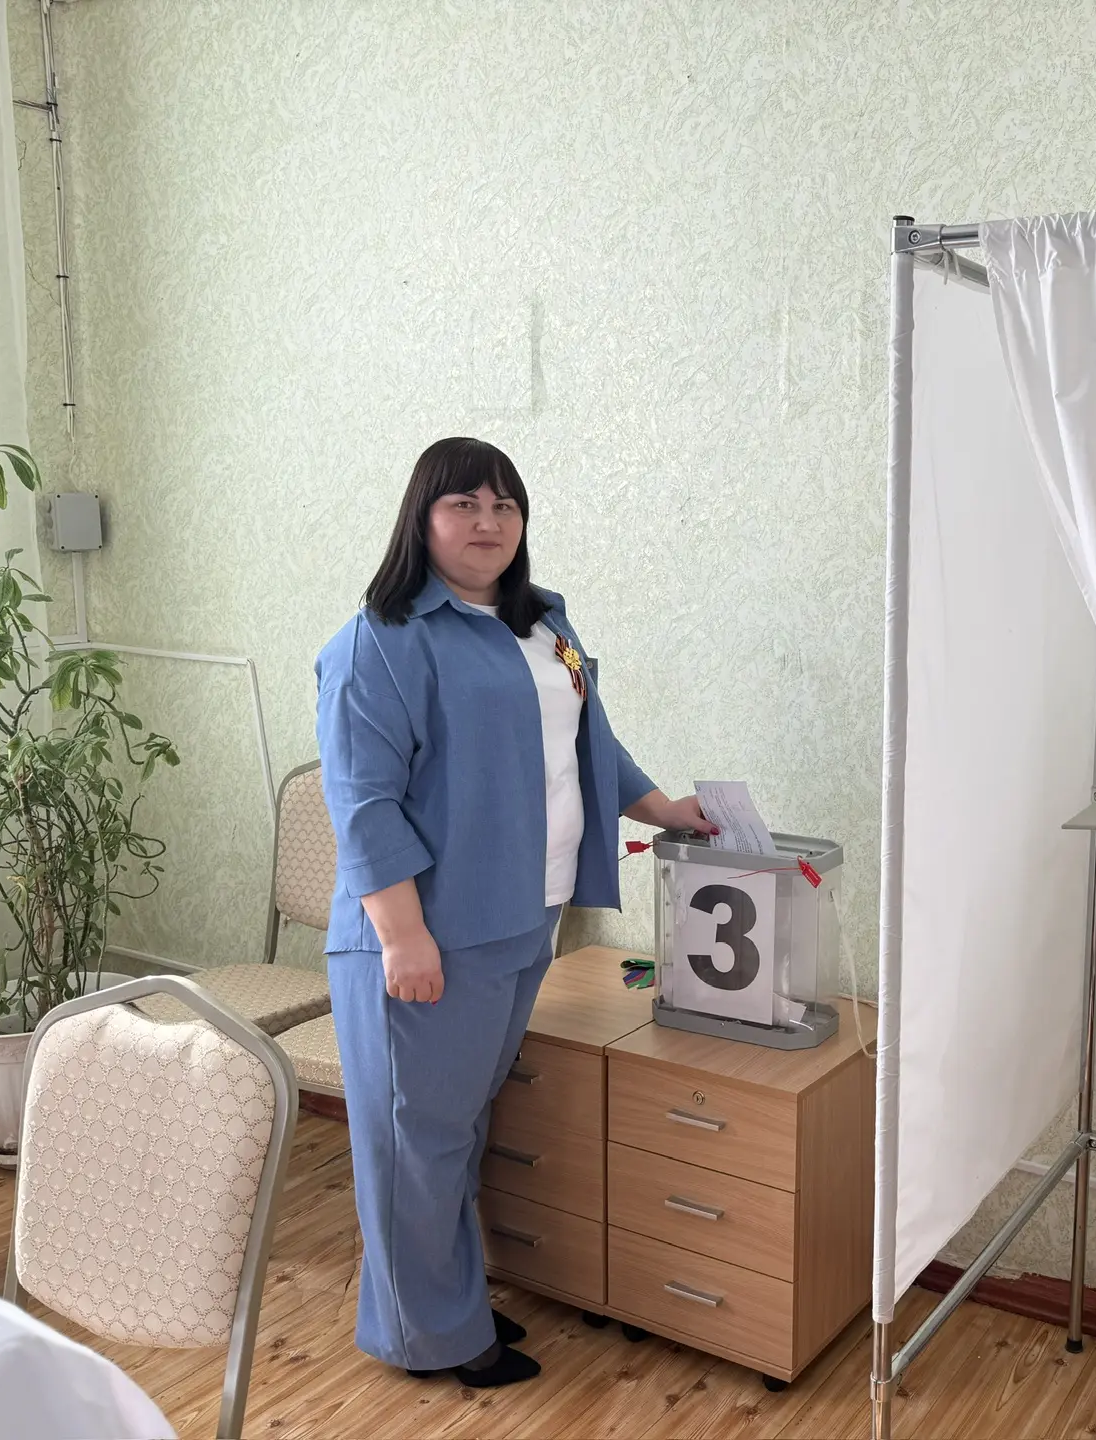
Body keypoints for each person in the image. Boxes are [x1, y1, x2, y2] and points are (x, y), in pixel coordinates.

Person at [315, 437, 714, 1388]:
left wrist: (662, 810)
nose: (487, 522)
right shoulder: (380, 641)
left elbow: (585, 744)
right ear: (422, 519)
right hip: (425, 937)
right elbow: (363, 804)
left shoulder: (542, 624)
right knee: (415, 1143)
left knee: (456, 1129)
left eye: (504, 505)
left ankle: (443, 1302)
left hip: (524, 918)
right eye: (463, 505)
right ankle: (429, 1337)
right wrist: (402, 937)